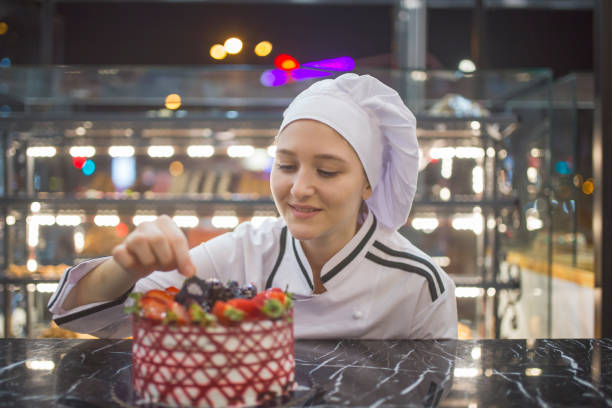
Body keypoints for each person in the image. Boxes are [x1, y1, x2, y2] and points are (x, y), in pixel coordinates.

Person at [48, 73, 458, 339]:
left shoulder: (421, 286)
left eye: (327, 172)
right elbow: (80, 315)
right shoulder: (244, 251)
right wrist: (128, 265)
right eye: (286, 165)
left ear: (368, 182)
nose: (299, 189)